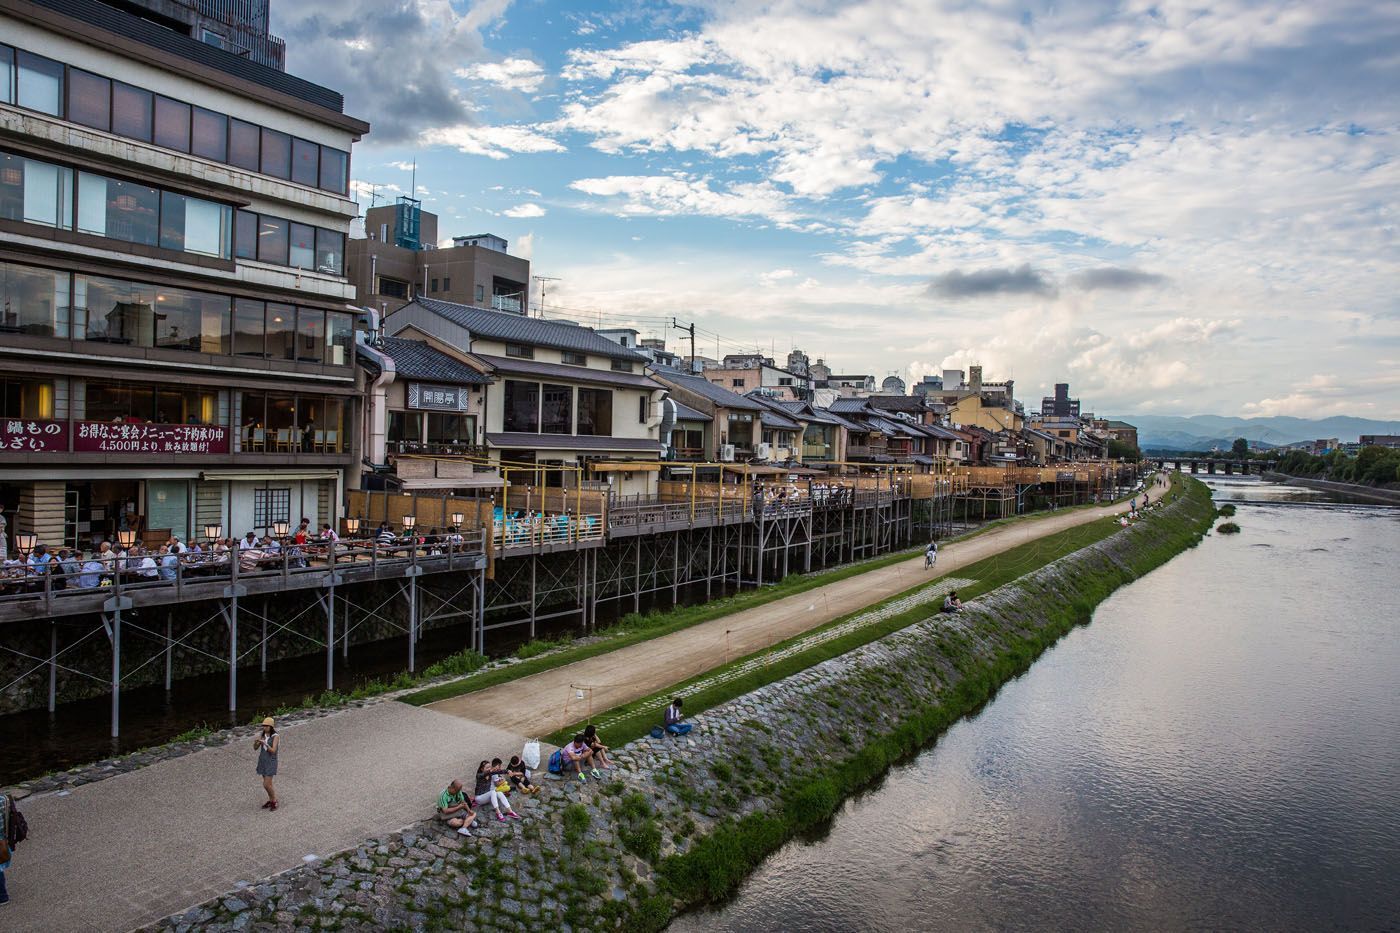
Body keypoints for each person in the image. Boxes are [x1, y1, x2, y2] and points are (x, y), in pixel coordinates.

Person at [254, 717, 279, 811]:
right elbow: (255, 748)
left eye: (266, 726)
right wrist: (257, 743)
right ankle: (271, 799)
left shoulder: (275, 736)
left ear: (271, 726)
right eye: (263, 726)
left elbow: (273, 750)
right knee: (269, 784)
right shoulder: (263, 734)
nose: (264, 727)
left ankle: (274, 801)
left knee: (266, 784)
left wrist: (265, 744)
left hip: (271, 762)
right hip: (263, 761)